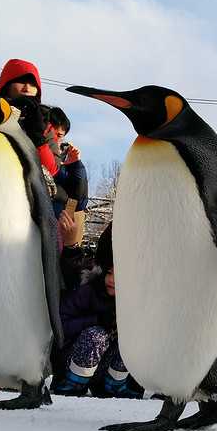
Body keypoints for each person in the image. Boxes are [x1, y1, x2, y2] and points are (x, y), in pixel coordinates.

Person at [51, 225, 142, 398]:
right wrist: (97, 320)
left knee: (132, 340)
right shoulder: (88, 292)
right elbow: (60, 326)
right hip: (72, 361)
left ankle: (113, 385)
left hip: (100, 368)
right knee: (96, 335)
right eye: (109, 273)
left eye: (120, 275)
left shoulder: (129, 302)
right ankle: (73, 384)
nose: (112, 280)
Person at [0, 59, 58, 176]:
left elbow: (51, 171)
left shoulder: (45, 126)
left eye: (33, 85)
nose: (27, 89)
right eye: (21, 82)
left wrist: (38, 139)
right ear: (6, 85)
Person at [47, 106, 88, 215]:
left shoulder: (65, 166)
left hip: (54, 226)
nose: (55, 139)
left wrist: (76, 165)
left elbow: (80, 203)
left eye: (59, 135)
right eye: (51, 133)